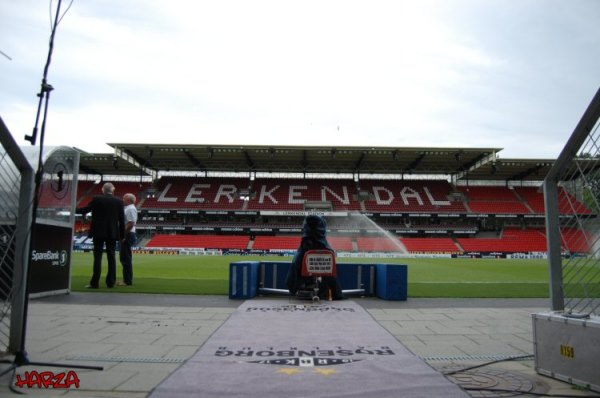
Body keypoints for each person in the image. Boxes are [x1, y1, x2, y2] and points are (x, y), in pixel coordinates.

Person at [76, 182, 125, 288]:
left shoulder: (97, 199)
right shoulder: (119, 201)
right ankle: (111, 282)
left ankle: (95, 283)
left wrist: (72, 209)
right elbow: (122, 220)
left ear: (103, 190)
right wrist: (122, 235)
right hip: (112, 232)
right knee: (111, 257)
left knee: (97, 257)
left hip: (98, 232)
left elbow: (84, 210)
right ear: (113, 190)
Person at [286, 214, 344, 300]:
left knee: (295, 263)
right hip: (324, 278)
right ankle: (336, 292)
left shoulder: (304, 246)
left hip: (306, 275)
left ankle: (296, 287)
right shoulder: (327, 246)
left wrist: (292, 286)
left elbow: (295, 266)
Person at [118, 193, 137, 286]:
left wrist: (123, 235)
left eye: (124, 198)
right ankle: (126, 279)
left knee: (126, 258)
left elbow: (131, 223)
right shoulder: (129, 208)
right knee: (124, 258)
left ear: (129, 200)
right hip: (128, 234)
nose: (122, 200)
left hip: (128, 234)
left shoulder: (130, 208)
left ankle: (127, 281)